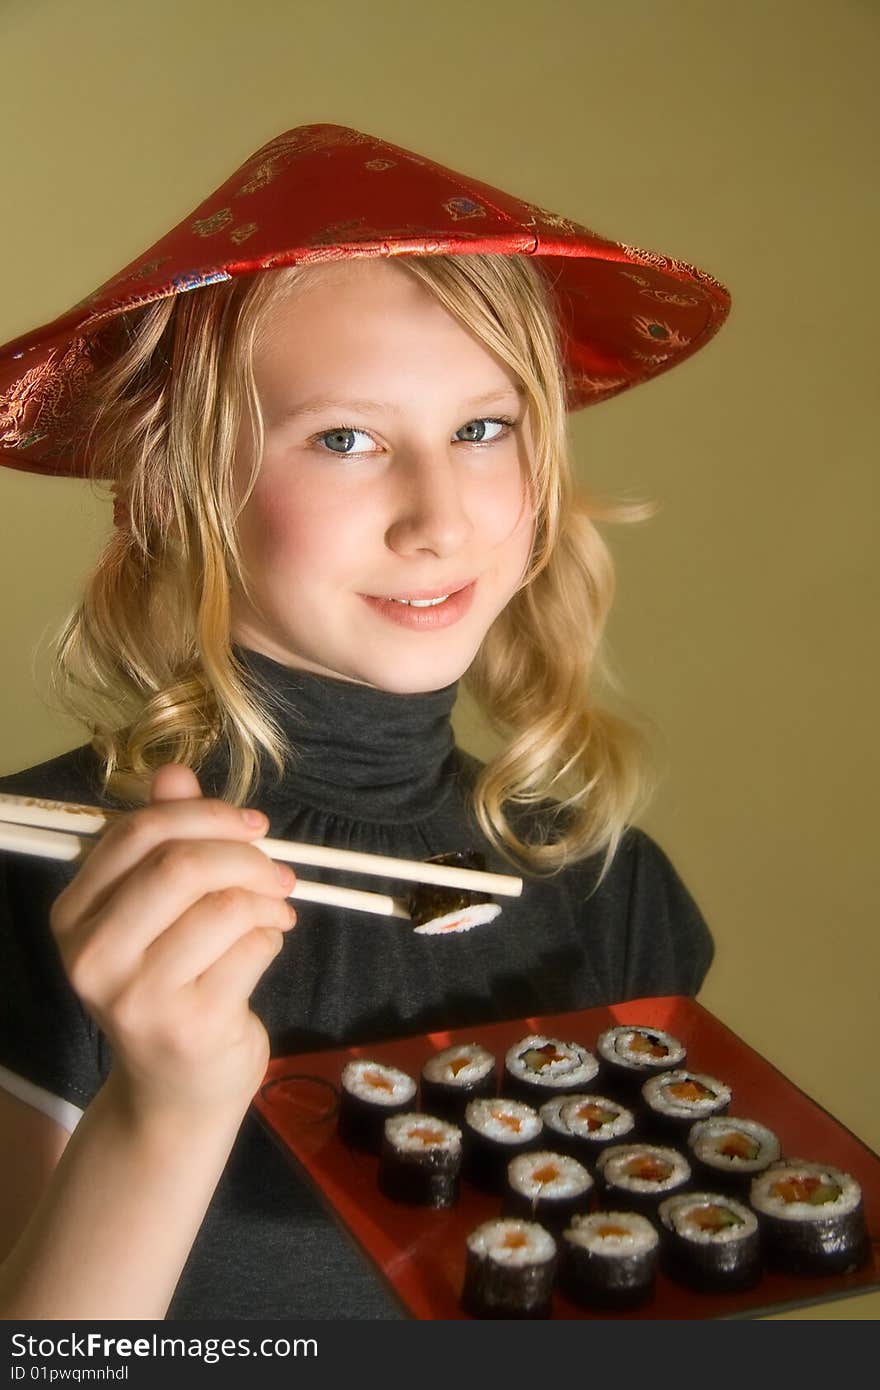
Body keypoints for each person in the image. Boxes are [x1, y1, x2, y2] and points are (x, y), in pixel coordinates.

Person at [0, 124, 729, 1319]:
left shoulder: (608, 888)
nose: (435, 520)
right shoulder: (48, 880)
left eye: (481, 429)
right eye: (345, 439)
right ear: (182, 481)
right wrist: (167, 1104)